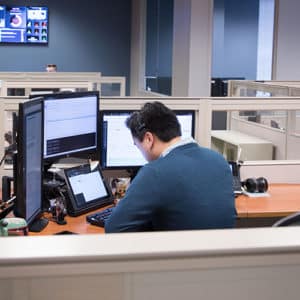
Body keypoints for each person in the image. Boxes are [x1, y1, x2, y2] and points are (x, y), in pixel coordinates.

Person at [105, 101, 236, 233]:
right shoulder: (218, 160)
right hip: (221, 251)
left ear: (148, 139)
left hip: (180, 252)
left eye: (136, 145)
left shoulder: (154, 172)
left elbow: (114, 228)